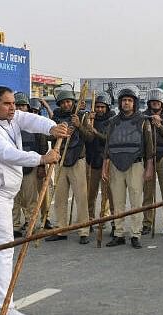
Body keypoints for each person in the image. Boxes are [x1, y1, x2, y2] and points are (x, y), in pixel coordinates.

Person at [0, 86, 66, 315]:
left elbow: (30, 119)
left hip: (2, 194)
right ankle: (3, 307)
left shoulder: (11, 118)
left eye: (14, 103)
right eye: (7, 104)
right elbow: (7, 153)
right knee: (4, 249)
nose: (13, 108)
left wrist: (51, 128)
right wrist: (41, 158)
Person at [103, 85, 155, 249]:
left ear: (134, 103)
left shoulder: (143, 121)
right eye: (124, 100)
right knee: (118, 202)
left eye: (129, 100)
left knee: (135, 201)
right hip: (116, 165)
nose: (126, 103)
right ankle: (118, 233)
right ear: (120, 103)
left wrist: (149, 167)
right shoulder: (113, 122)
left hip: (136, 164)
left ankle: (135, 234)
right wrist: (105, 166)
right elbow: (107, 146)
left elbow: (149, 146)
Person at [45, 87, 93, 244]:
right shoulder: (56, 117)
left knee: (81, 197)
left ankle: (84, 230)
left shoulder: (81, 115)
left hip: (78, 160)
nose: (66, 104)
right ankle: (60, 229)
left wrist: (79, 126)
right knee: (60, 198)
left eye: (68, 102)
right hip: (60, 161)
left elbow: (90, 137)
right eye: (63, 102)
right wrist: (57, 132)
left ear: (73, 102)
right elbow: (49, 137)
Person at [11, 92, 50, 238]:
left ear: (27, 107)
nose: (20, 108)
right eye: (18, 105)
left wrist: (41, 166)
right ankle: (14, 225)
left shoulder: (33, 124)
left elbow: (42, 146)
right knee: (14, 198)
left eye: (23, 105)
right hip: (14, 167)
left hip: (31, 166)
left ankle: (30, 223)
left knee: (30, 197)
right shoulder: (9, 124)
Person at [141, 88, 163, 237]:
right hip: (148, 159)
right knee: (147, 193)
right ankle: (147, 223)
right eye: (153, 101)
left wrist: (160, 126)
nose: (155, 104)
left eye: (158, 102)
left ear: (162, 103)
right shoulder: (143, 118)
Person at [85, 92, 115, 229]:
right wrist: (87, 123)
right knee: (90, 193)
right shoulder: (90, 119)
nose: (99, 109)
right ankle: (90, 218)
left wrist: (95, 132)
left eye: (102, 107)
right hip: (92, 159)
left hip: (106, 160)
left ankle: (106, 217)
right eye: (97, 106)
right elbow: (86, 137)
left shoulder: (112, 120)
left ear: (107, 107)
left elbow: (109, 140)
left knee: (108, 193)